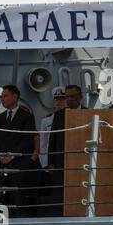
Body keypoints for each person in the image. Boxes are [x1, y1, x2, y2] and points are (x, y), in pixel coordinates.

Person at [0, 85, 36, 217]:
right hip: (0, 164)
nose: (2, 99)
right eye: (1, 96)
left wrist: (12, 156)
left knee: (18, 197)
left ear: (15, 97)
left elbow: (28, 139)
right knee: (0, 197)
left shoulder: (27, 117)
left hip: (18, 164)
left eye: (5, 96)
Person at [47, 85, 87, 215]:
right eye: (67, 97)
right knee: (60, 192)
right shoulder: (59, 115)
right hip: (62, 161)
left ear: (80, 97)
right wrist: (51, 162)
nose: (70, 99)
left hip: (83, 160)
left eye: (73, 96)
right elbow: (52, 139)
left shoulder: (89, 113)